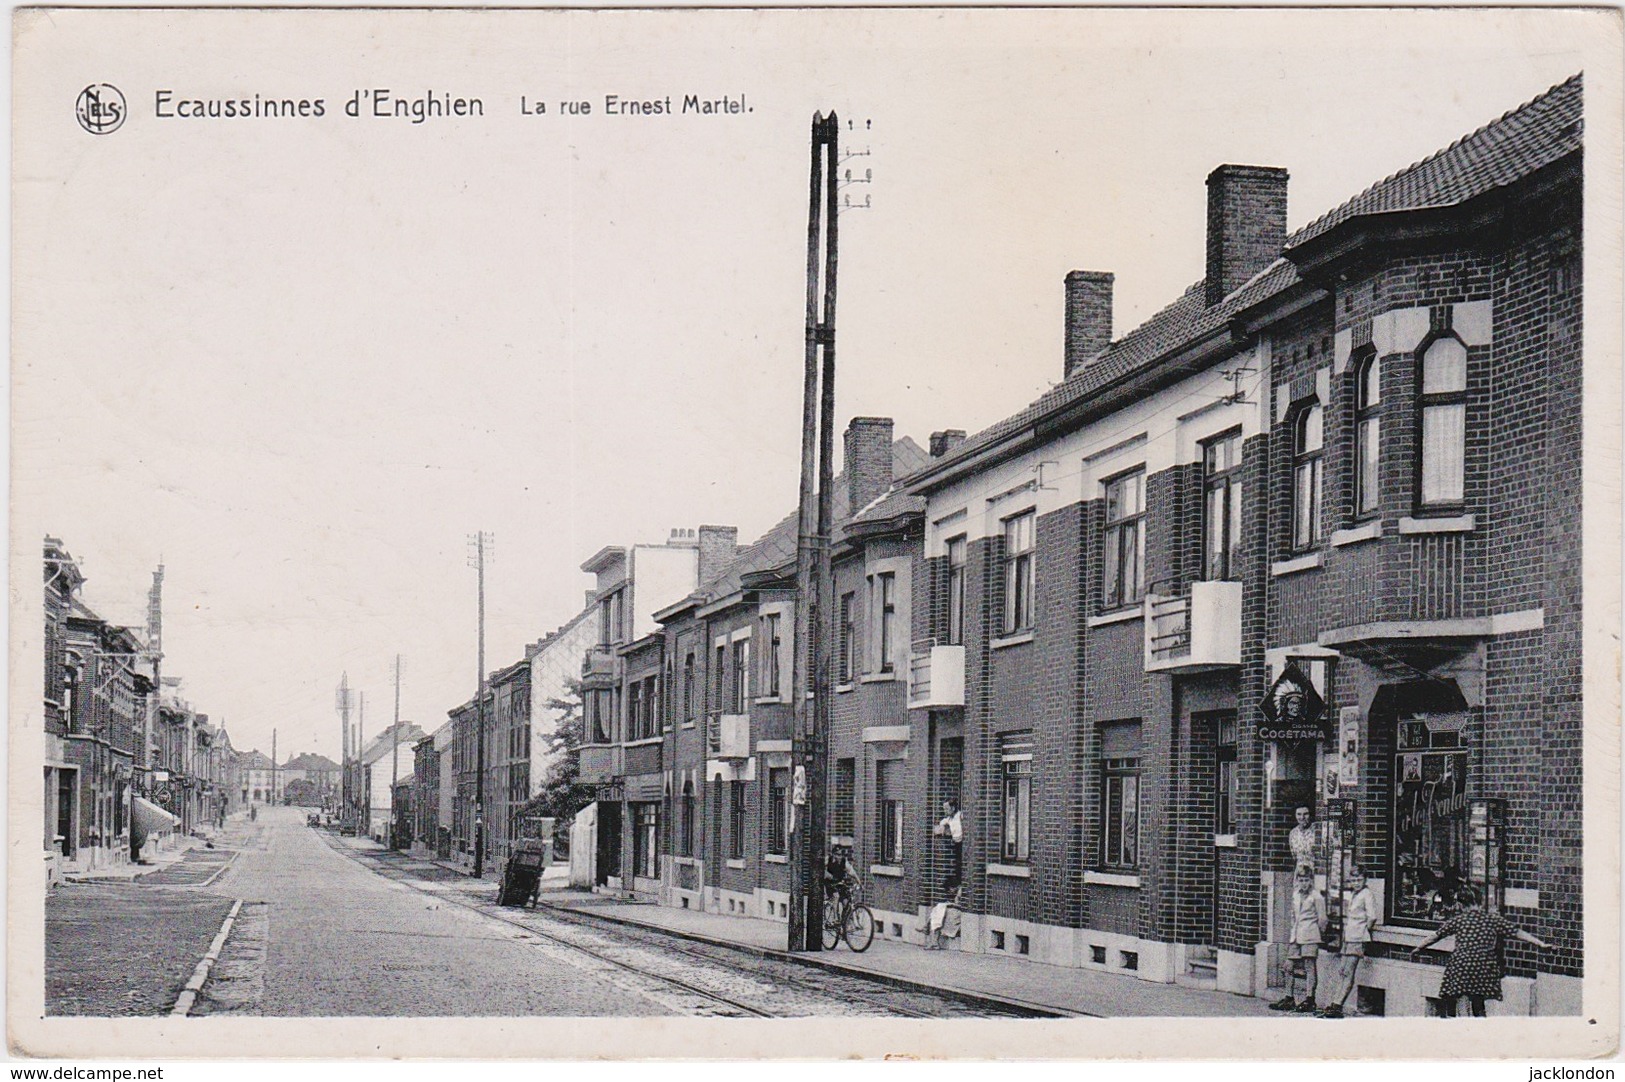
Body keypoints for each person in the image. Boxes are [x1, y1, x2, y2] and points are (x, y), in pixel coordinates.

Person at [1411, 885, 1549, 1017]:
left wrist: (1418, 948)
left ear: (1460, 904)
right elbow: (1517, 932)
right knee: (1478, 1002)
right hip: (1484, 966)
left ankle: (1452, 1027)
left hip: (1461, 965)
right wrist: (1539, 943)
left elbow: (1435, 936)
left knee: (1450, 997)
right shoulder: (1492, 919)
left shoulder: (1459, 920)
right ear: (1480, 902)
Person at [1319, 866, 1378, 1018]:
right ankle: (1334, 1003)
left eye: (1359, 880)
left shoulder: (1367, 894)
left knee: (1349, 971)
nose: (1356, 883)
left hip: (1357, 938)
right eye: (1353, 880)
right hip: (1349, 937)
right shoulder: (1354, 894)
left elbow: (1371, 917)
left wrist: (1364, 931)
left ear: (1365, 880)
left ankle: (1338, 1005)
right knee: (1343, 971)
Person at [1271, 866, 1326, 1013]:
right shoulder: (1295, 895)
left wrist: (1317, 934)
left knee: (1309, 967)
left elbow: (1323, 919)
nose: (1303, 883)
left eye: (1306, 880)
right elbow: (1293, 917)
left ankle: (1310, 999)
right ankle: (1289, 998)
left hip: (1310, 935)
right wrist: (1292, 935)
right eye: (1301, 880)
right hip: (1296, 936)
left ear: (1311, 881)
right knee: (1288, 966)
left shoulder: (1317, 897)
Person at [920, 879, 964, 950]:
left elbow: (964, 907)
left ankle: (927, 929)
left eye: (950, 889)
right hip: (955, 911)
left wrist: (952, 904)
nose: (950, 892)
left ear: (953, 887)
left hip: (959, 914)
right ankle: (933, 940)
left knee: (939, 912)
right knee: (938, 911)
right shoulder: (958, 891)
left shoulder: (961, 891)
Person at [933, 798, 964, 886]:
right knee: (957, 864)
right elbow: (941, 823)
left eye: (947, 809)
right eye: (944, 809)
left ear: (953, 808)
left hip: (962, 843)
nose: (945, 811)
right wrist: (942, 827)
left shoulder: (960, 816)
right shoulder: (949, 819)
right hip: (956, 843)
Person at [1288, 806, 1318, 871]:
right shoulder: (1293, 833)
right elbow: (1294, 856)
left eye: (1305, 814)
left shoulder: (1317, 830)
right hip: (1300, 873)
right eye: (1299, 814)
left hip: (1315, 872)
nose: (1302, 817)